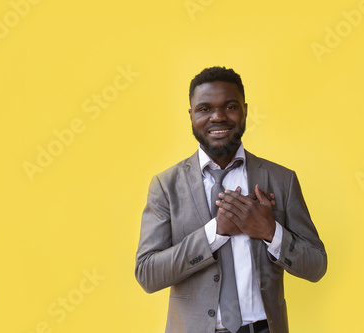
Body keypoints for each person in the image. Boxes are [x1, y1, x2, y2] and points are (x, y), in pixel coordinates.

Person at [135, 66, 327, 333]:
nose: (218, 117)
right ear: (191, 116)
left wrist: (271, 232)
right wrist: (215, 232)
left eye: (230, 107)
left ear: (245, 110)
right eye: (204, 109)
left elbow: (316, 266)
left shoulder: (282, 179)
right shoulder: (165, 186)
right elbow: (148, 274)